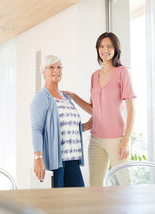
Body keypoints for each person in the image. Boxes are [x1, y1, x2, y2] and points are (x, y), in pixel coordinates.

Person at [64, 32, 136, 186]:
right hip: (96, 139)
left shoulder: (123, 72)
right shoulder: (94, 76)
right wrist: (74, 96)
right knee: (95, 187)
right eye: (102, 46)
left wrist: (126, 141)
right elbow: (94, 110)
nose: (105, 50)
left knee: (126, 184)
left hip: (117, 138)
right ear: (97, 49)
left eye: (109, 46)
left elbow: (132, 110)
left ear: (116, 49)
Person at [30, 55, 85, 188]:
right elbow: (37, 129)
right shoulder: (42, 97)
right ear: (44, 72)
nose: (56, 70)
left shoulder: (66, 97)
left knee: (78, 202)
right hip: (56, 161)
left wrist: (89, 124)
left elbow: (66, 127)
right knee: (56, 205)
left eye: (59, 67)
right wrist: (38, 159)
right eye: (51, 67)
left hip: (73, 158)